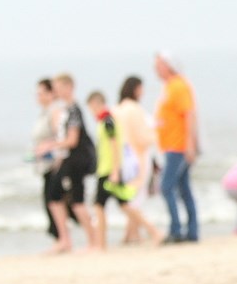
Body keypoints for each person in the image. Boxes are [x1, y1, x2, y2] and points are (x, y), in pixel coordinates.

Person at [86, 91, 163, 249]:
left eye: (91, 106)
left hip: (109, 170)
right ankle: (153, 231)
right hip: (106, 169)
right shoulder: (104, 121)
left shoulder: (108, 121)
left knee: (103, 205)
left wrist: (115, 171)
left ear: (96, 103)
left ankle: (101, 244)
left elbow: (115, 145)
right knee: (120, 205)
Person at [36, 73, 97, 253]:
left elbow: (72, 140)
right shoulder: (67, 110)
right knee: (55, 196)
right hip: (67, 160)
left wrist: (50, 145)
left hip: (76, 161)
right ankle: (66, 239)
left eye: (58, 87)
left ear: (68, 87)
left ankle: (93, 241)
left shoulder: (73, 110)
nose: (56, 91)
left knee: (77, 201)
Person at [154, 51, 199, 243]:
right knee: (183, 188)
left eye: (158, 65)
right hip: (171, 144)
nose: (155, 70)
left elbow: (189, 114)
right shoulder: (170, 86)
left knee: (166, 186)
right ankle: (191, 231)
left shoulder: (179, 86)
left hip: (178, 145)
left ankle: (176, 230)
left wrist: (190, 144)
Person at [114, 76, 157, 244]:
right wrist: (156, 133)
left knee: (130, 197)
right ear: (136, 89)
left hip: (121, 157)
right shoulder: (134, 109)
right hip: (137, 157)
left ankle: (131, 233)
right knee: (135, 197)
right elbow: (142, 137)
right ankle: (138, 233)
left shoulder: (117, 109)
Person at [31, 78, 67, 238]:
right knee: (50, 201)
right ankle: (60, 238)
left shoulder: (55, 111)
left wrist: (46, 147)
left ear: (50, 94)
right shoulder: (44, 112)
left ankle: (63, 238)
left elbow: (60, 137)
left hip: (54, 163)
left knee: (54, 200)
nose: (37, 96)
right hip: (44, 165)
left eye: (41, 93)